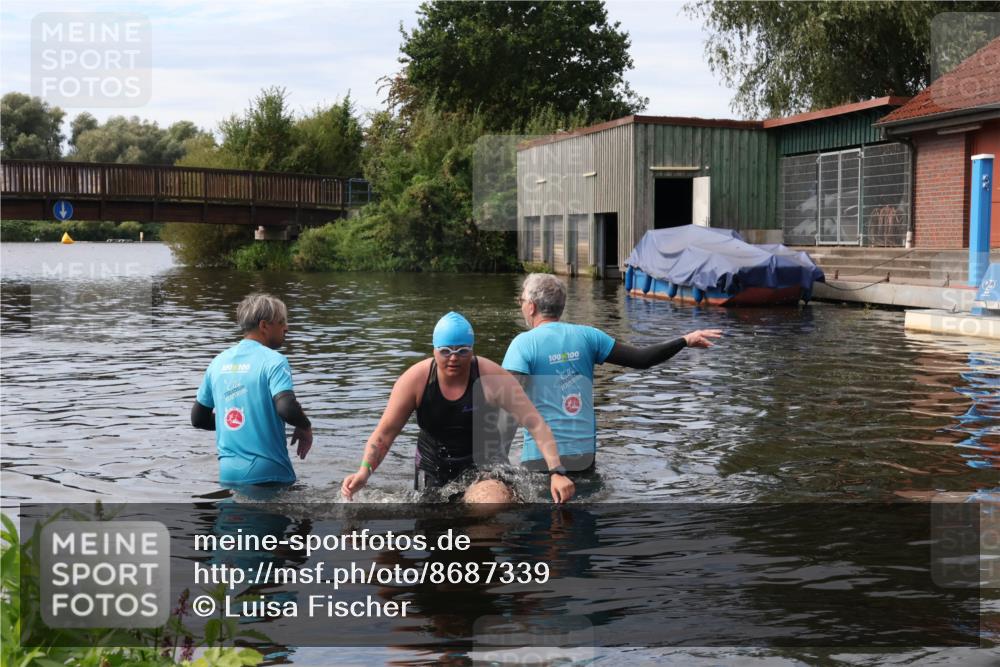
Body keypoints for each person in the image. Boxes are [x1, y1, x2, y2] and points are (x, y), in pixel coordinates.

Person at [341, 311, 575, 504]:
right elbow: (384, 435)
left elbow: (536, 423)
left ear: (472, 350)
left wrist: (557, 472)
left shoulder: (492, 377)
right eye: (446, 351)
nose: (454, 358)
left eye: (462, 351)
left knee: (491, 504)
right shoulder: (414, 381)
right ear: (434, 350)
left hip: (483, 467)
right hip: (433, 467)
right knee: (434, 527)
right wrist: (364, 472)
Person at [503, 273, 722, 474]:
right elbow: (642, 359)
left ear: (531, 307)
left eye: (521, 301)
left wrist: (497, 462)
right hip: (584, 456)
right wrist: (684, 340)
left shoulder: (522, 344)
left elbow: (508, 404)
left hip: (540, 460)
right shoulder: (589, 336)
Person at [191, 293, 313, 489]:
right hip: (270, 474)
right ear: (264, 326)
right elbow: (287, 408)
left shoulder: (218, 362)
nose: (287, 328)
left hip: (228, 475)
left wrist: (240, 421)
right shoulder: (274, 361)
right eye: (282, 322)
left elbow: (198, 418)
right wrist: (305, 425)